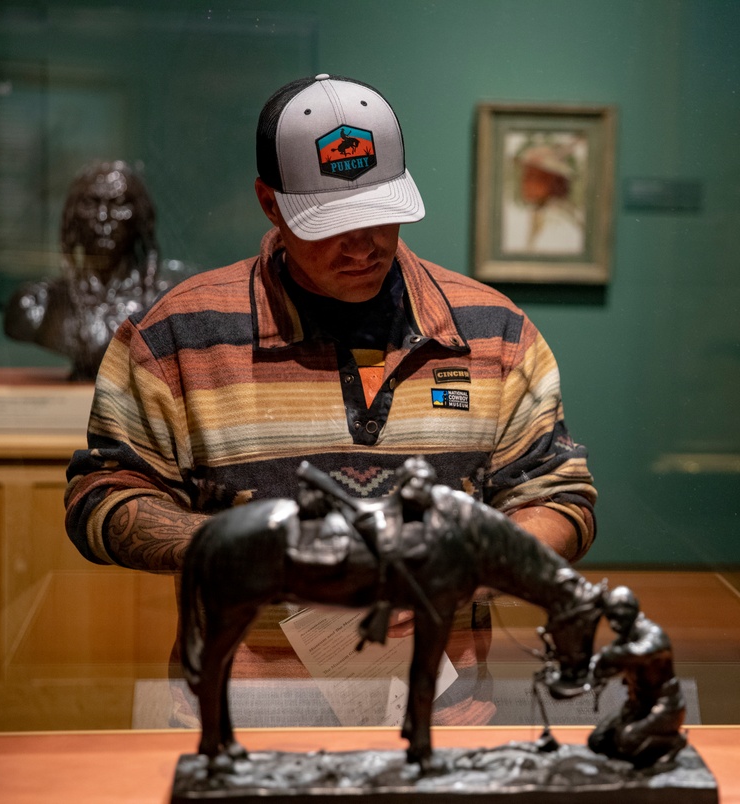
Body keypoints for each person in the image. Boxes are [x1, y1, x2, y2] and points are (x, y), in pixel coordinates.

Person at [64, 74, 596, 723]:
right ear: (270, 203)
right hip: (242, 714)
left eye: (381, 214)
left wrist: (466, 565)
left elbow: (558, 497)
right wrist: (246, 550)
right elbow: (105, 496)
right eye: (334, 222)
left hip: (443, 715)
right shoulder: (180, 335)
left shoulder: (496, 332)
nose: (364, 244)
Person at [3, 159, 191, 380]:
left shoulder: (177, 294)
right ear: (73, 216)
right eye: (91, 203)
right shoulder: (38, 305)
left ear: (140, 216)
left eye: (119, 203)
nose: (103, 217)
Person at [586, 586, 687, 768]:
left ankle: (673, 742)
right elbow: (606, 663)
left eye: (618, 616)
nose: (614, 624)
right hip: (637, 705)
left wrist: (608, 656)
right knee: (598, 740)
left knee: (627, 739)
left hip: (663, 706)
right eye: (611, 617)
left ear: (631, 612)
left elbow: (639, 653)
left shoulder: (653, 635)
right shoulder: (626, 636)